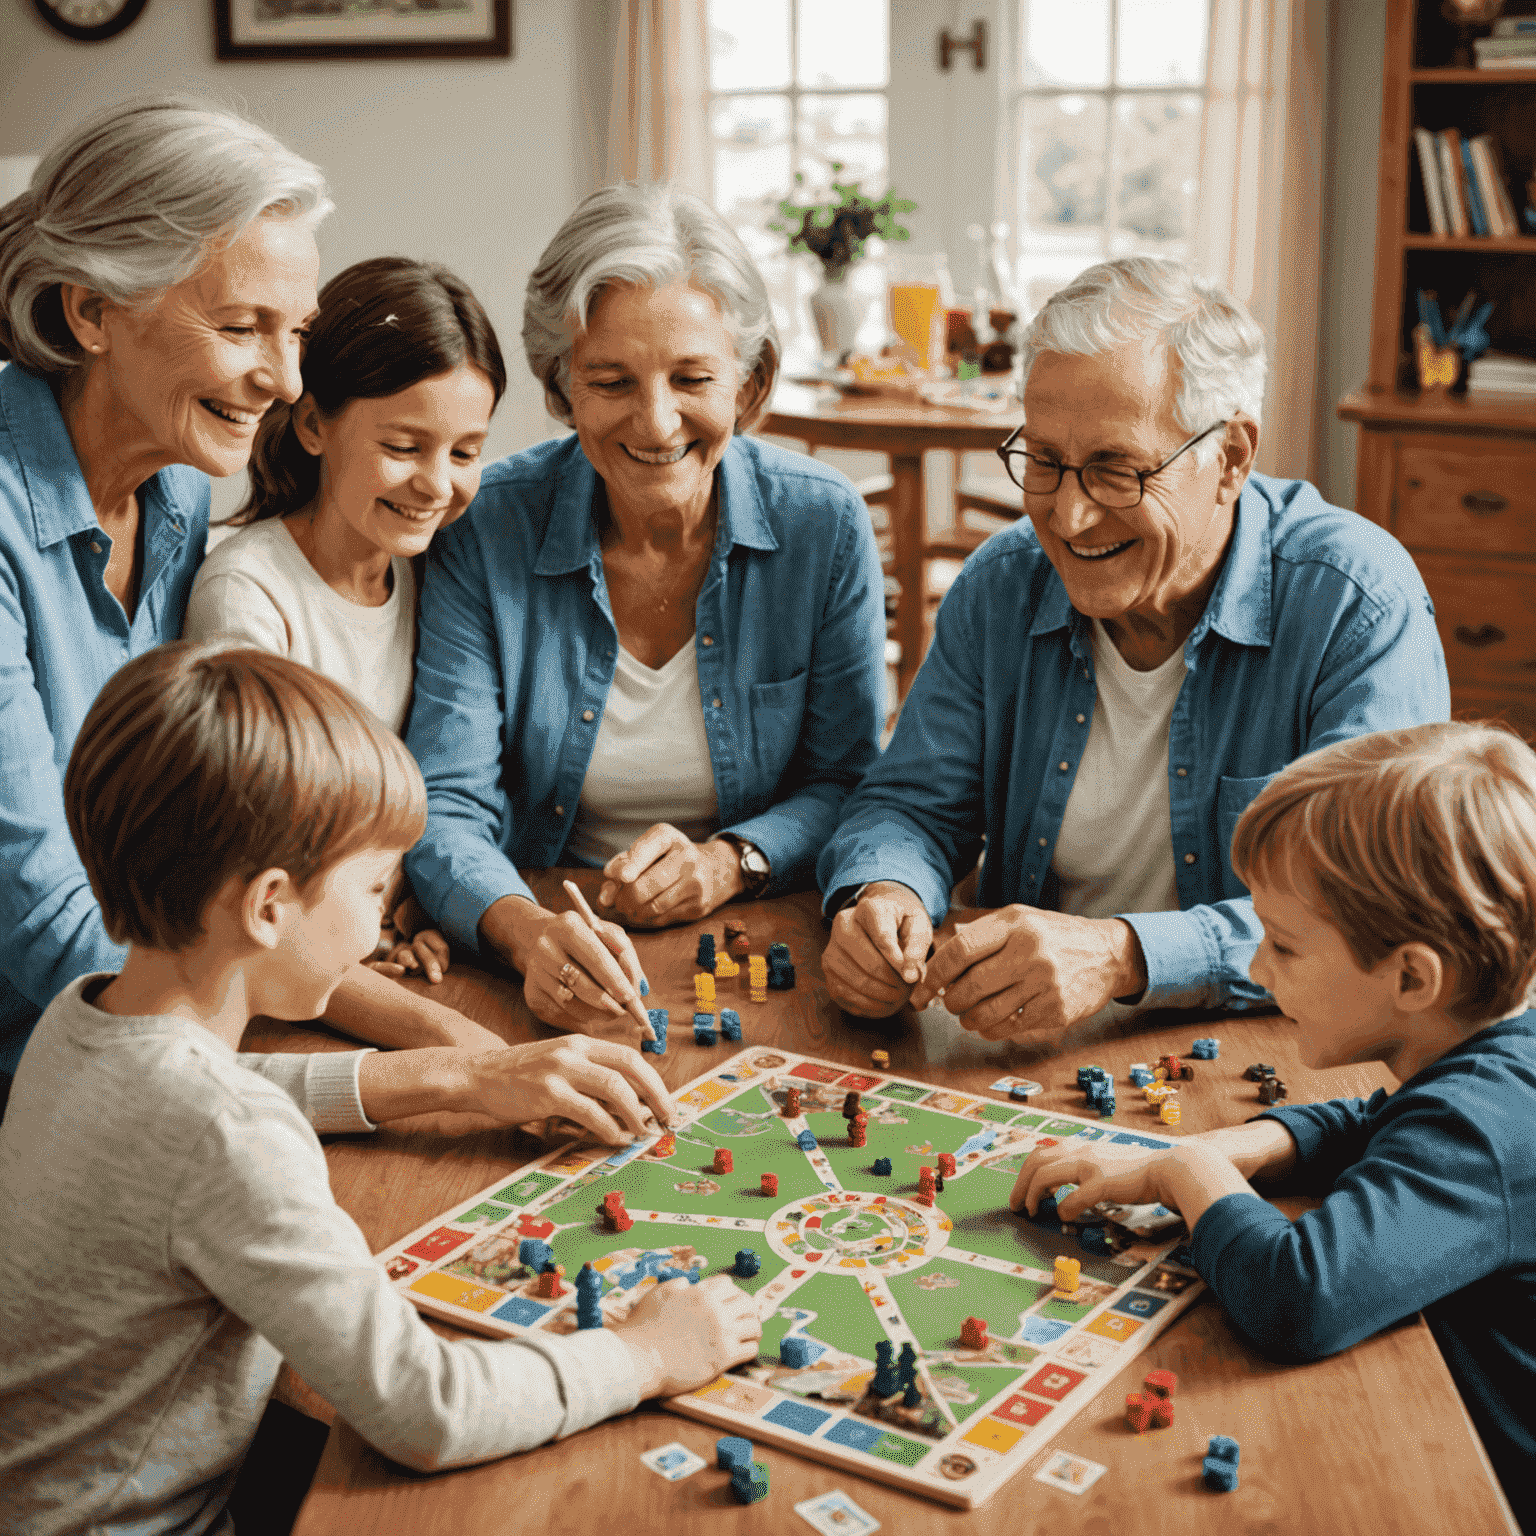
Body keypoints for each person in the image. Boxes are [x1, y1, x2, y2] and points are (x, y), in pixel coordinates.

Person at [0, 642, 762, 1536]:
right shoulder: (222, 1134)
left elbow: (214, 1099)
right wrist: (646, 1354)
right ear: (270, 906)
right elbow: (426, 1409)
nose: (380, 920)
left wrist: (461, 1080)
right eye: (371, 886)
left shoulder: (77, 1021)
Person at [0, 97, 496, 1099]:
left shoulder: (176, 478)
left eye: (296, 331)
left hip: (172, 1032)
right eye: (240, 327)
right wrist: (443, 1072)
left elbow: (204, 861)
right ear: (90, 312)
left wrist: (450, 1036)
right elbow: (63, 945)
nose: (282, 380)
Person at [817, 256, 1449, 1039]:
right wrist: (886, 894)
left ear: (1231, 458)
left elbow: (1371, 910)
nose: (1069, 517)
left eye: (1116, 471)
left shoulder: (1354, 603)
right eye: (1044, 462)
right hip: (1025, 1050)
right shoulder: (1001, 585)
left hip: (1279, 1047)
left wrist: (1124, 954)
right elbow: (910, 805)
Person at [1008, 721, 1536, 1531]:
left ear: (1411, 976)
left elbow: (1301, 1297)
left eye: (1284, 947)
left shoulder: (1480, 1133)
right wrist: (1237, 1144)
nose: (1256, 971)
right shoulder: (1496, 1059)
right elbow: (1380, 1120)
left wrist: (1188, 1171)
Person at [404, 184, 886, 1038]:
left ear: (752, 383)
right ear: (561, 389)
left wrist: (730, 862)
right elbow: (445, 804)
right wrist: (528, 935)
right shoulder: (485, 528)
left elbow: (847, 782)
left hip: (760, 943)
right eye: (611, 381)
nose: (656, 422)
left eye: (693, 378)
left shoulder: (823, 522)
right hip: (538, 935)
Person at [186, 256, 507, 982]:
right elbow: (258, 842)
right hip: (278, 961)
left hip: (383, 937)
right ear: (311, 424)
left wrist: (417, 904)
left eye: (465, 452)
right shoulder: (247, 593)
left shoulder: (434, 573)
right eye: (402, 447)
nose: (436, 484)